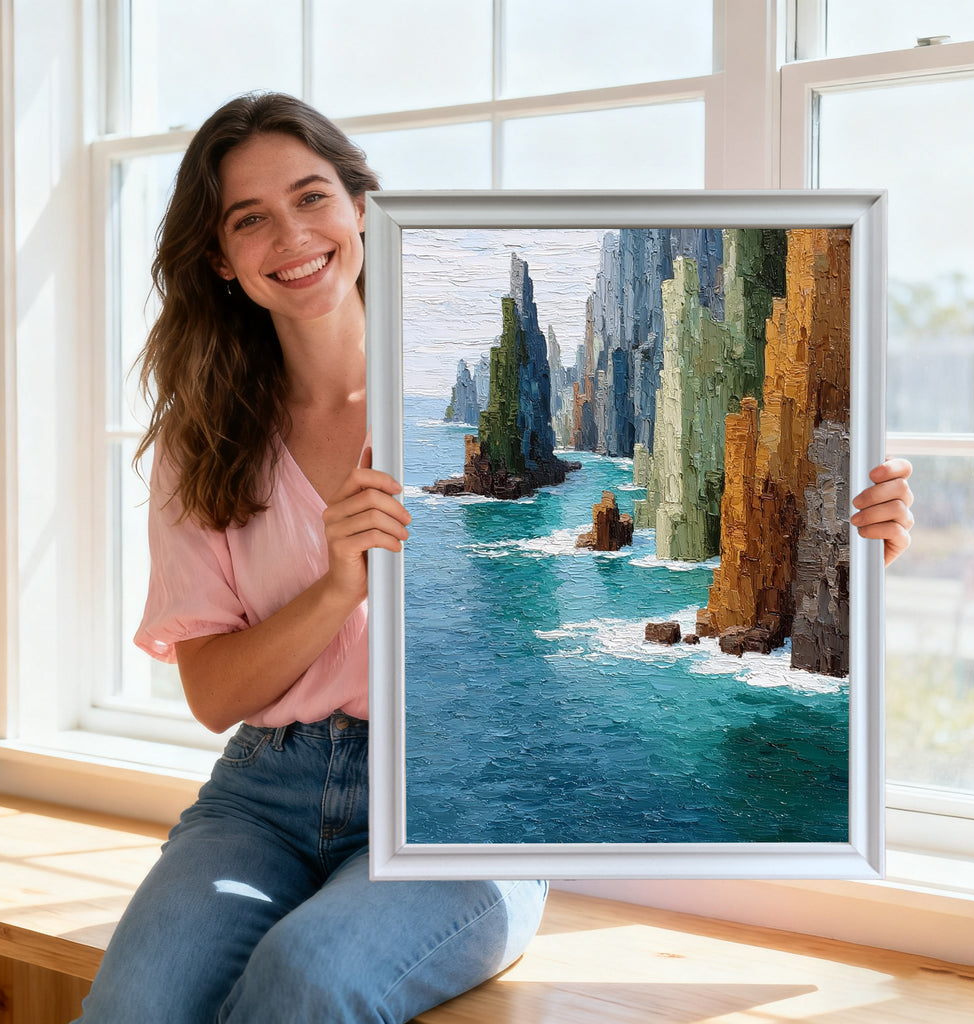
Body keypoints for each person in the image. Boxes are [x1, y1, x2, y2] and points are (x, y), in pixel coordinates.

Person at [74, 90, 914, 1023]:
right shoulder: (203, 441)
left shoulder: (442, 388)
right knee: (133, 1006)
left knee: (306, 982)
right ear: (221, 261)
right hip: (262, 792)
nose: (291, 235)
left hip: (456, 800)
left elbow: (733, 524)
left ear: (361, 207)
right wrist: (333, 589)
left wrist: (843, 532)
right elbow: (213, 695)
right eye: (250, 219)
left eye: (312, 198)